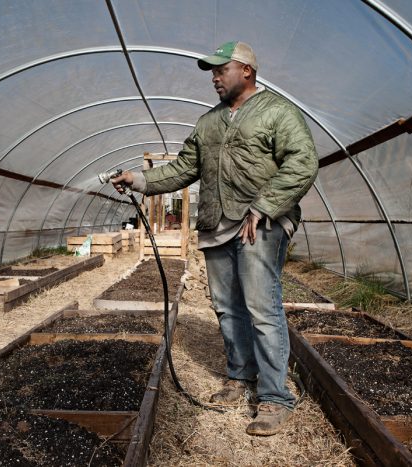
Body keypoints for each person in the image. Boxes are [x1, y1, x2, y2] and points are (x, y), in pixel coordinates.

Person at [111, 41, 318, 436]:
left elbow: (303, 162)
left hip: (261, 222)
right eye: (212, 71)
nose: (214, 77)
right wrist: (138, 180)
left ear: (247, 71)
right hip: (217, 224)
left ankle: (275, 398)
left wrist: (265, 205)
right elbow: (183, 169)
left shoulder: (278, 112)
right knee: (226, 307)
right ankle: (239, 378)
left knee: (261, 307)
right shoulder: (208, 122)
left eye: (221, 69)